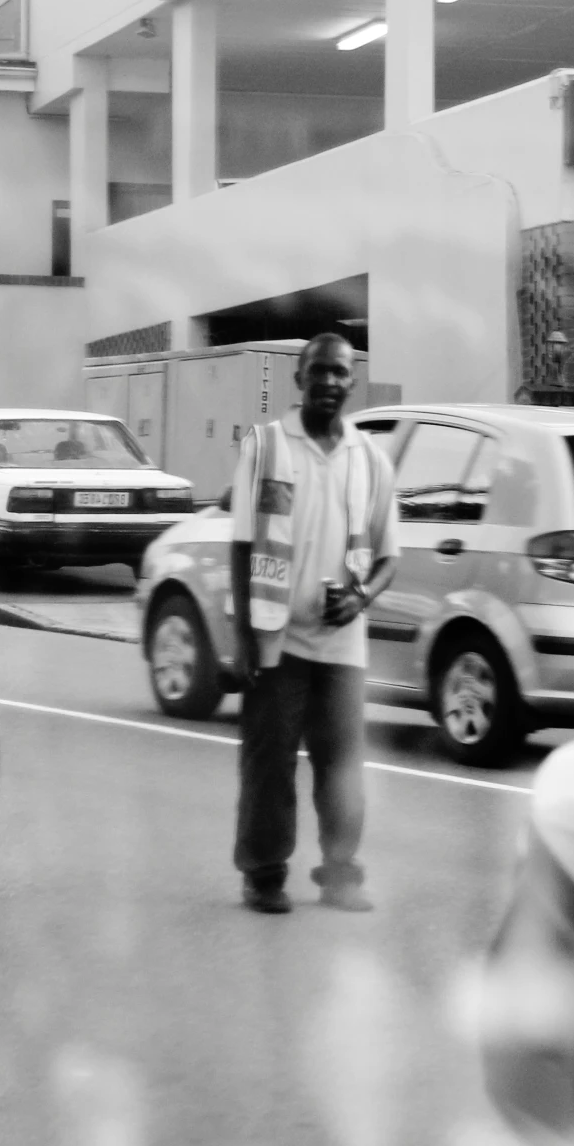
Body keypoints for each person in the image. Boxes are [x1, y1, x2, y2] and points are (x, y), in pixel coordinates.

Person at [228, 333, 398, 914]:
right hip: (276, 634)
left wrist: (361, 598)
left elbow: (388, 557)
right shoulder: (267, 446)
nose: (329, 381)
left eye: (340, 373)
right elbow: (243, 543)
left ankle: (341, 873)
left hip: (343, 641)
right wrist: (245, 631)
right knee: (269, 762)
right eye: (318, 371)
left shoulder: (371, 460)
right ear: (299, 380)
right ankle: (265, 874)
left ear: (353, 383)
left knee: (343, 765)